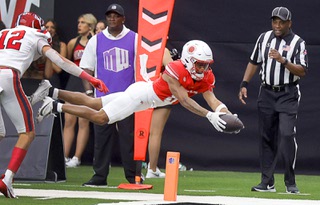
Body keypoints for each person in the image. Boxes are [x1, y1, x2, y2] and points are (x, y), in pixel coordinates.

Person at [35, 40, 234, 167]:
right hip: (141, 96)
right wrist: (209, 116)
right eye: (200, 64)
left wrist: (225, 113)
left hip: (145, 99)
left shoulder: (206, 76)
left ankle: (51, 90)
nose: (204, 68)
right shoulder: (175, 69)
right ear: (189, 60)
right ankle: (54, 106)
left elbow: (212, 100)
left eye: (206, 64)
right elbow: (184, 100)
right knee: (100, 117)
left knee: (94, 103)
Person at [0, 12, 107, 198]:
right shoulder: (35, 35)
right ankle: (7, 180)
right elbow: (60, 60)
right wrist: (89, 78)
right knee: (27, 133)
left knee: (0, 133)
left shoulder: (4, 33)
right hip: (9, 74)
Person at [238, 7, 308, 194]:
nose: (277, 25)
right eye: (274, 21)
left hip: (288, 93)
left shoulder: (298, 42)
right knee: (266, 137)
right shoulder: (264, 38)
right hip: (267, 93)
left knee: (286, 135)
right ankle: (267, 182)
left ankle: (290, 182)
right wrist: (244, 83)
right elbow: (254, 61)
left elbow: (302, 70)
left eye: (281, 22)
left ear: (289, 23)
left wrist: (282, 60)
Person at [80, 3, 145, 186]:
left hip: (128, 97)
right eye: (109, 15)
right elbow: (85, 68)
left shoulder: (134, 38)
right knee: (101, 139)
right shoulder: (96, 40)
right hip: (102, 98)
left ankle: (134, 177)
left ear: (123, 19)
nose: (112, 18)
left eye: (116, 15)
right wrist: (88, 93)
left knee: (129, 139)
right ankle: (99, 176)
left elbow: (142, 66)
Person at [63, 13, 97, 168]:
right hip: (73, 81)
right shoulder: (72, 42)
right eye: (78, 22)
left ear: (90, 25)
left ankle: (77, 158)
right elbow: (68, 62)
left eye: (83, 22)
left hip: (87, 83)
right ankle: (64, 156)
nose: (79, 25)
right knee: (69, 120)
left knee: (84, 121)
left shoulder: (95, 41)